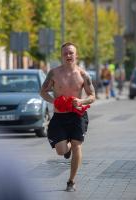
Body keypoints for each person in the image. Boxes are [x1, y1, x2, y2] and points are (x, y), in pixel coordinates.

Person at [40, 42, 95, 192]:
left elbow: (92, 96)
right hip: (60, 117)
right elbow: (43, 91)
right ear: (61, 56)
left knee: (78, 145)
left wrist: (81, 101)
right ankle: (67, 148)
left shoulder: (83, 75)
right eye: (65, 53)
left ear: (76, 55)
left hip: (78, 115)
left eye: (71, 53)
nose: (68, 56)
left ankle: (71, 181)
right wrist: (54, 101)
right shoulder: (53, 73)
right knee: (60, 150)